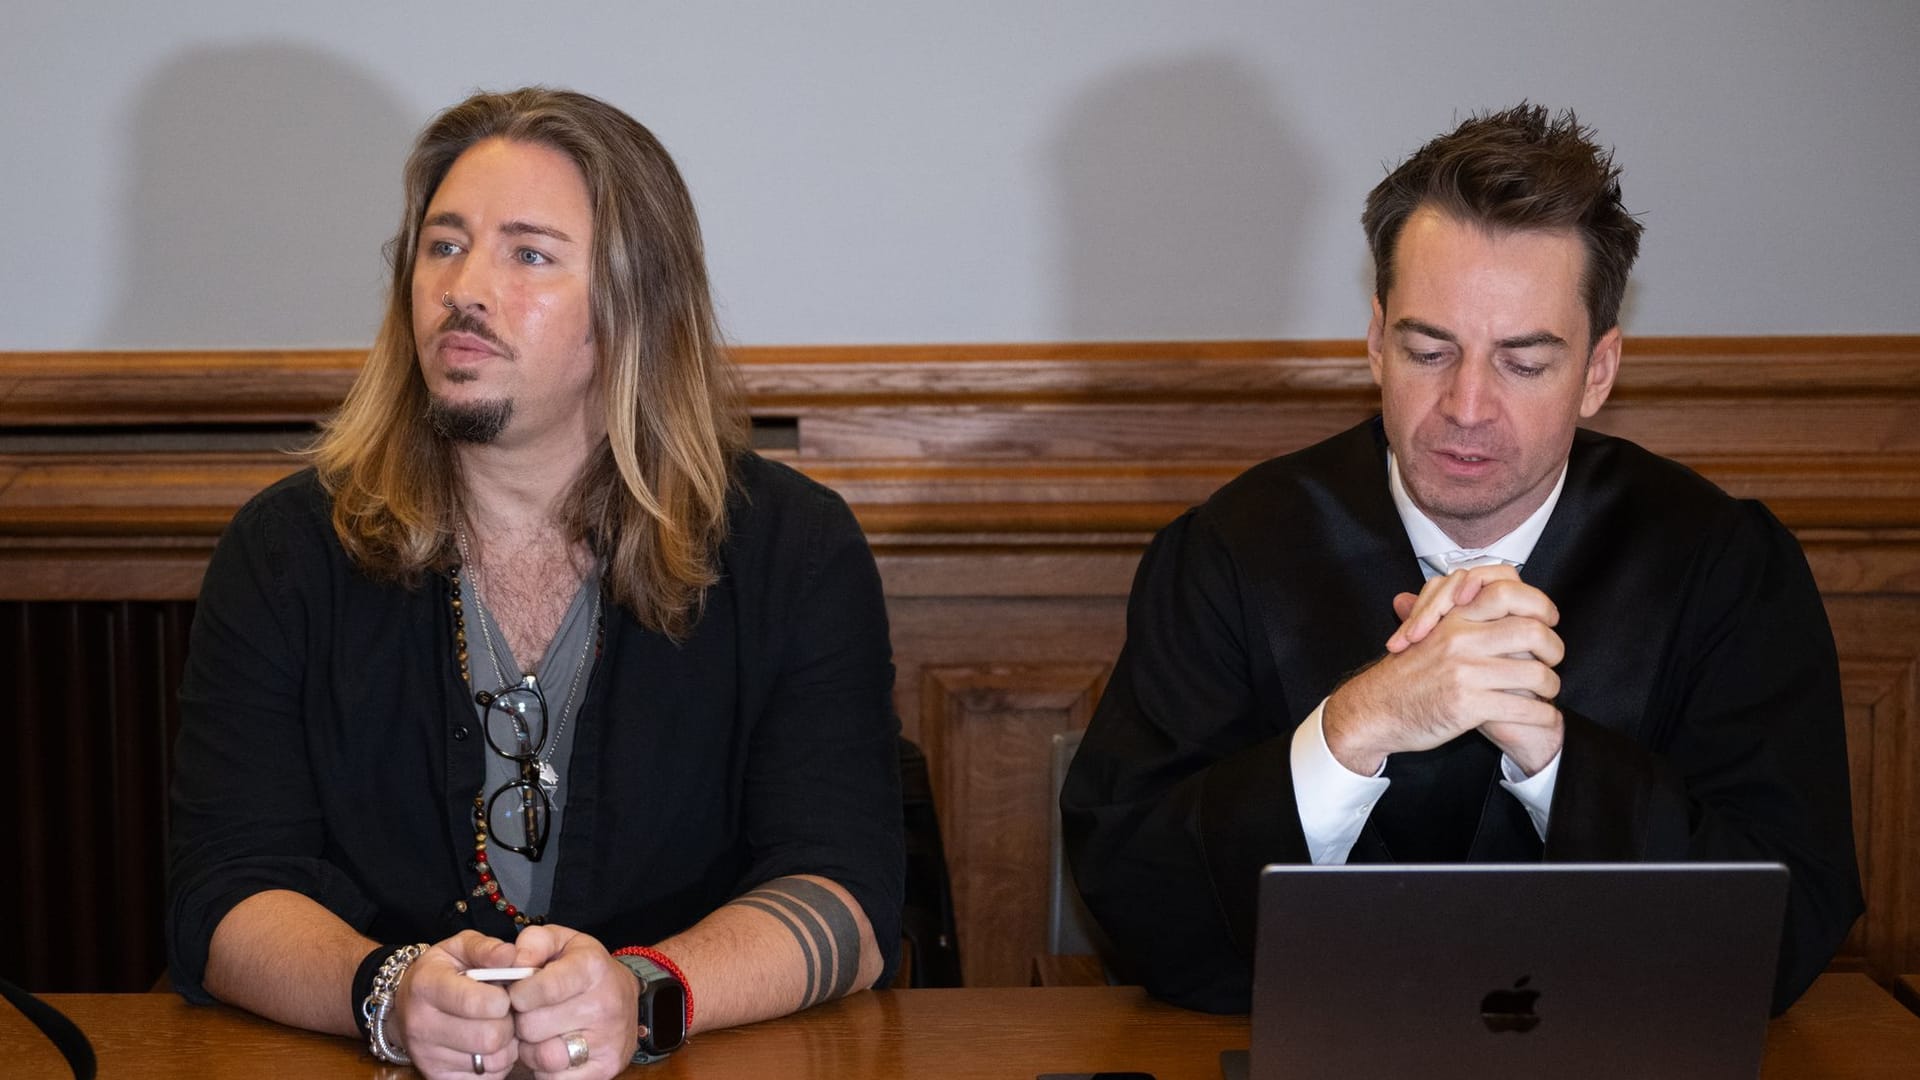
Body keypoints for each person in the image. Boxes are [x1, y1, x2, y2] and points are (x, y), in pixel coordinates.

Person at [1059, 104, 1862, 1017]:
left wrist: (1555, 760)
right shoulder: (1229, 552)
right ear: (1374, 339)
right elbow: (1134, 900)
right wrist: (1354, 727)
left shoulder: (1725, 567)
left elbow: (1789, 928)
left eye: (1523, 362)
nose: (1467, 406)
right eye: (1429, 349)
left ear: (1599, 372)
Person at [166, 87, 904, 1079]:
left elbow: (845, 895)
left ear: (635, 300)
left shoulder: (791, 550)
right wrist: (386, 996)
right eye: (444, 244)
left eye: (528, 253)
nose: (465, 287)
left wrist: (642, 995)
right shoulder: (287, 550)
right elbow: (225, 890)